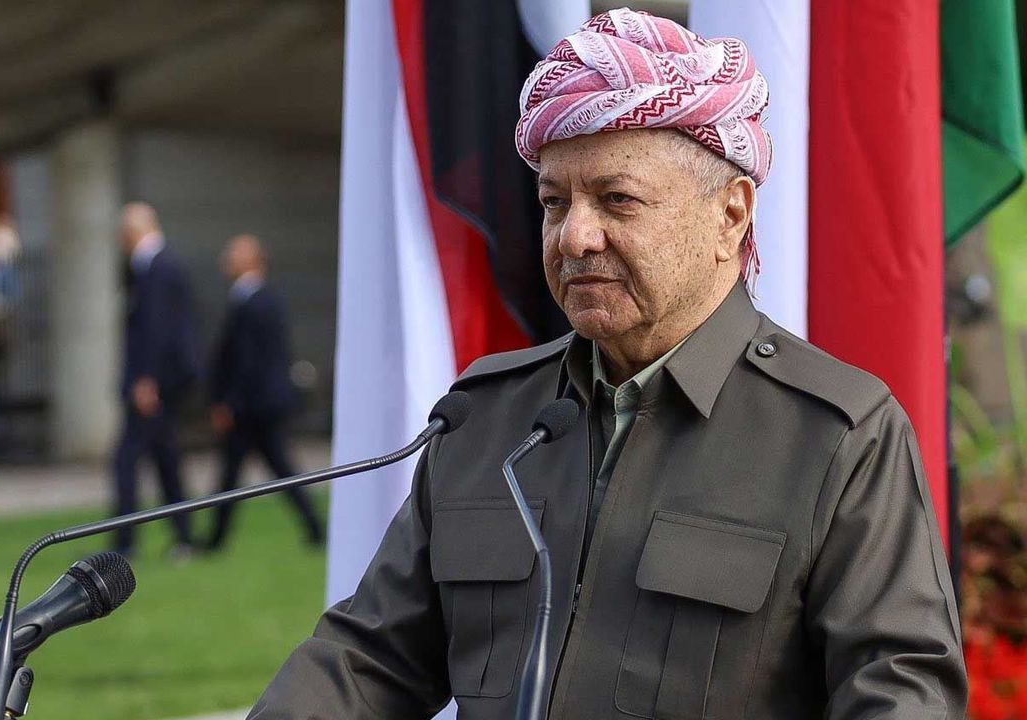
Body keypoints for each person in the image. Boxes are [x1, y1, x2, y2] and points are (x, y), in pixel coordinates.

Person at [250, 9, 965, 719]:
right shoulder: (485, 417)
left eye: (617, 200)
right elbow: (370, 661)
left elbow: (901, 690)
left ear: (731, 216)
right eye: (554, 202)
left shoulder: (837, 434)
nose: (574, 236)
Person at [205, 234, 324, 550]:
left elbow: (248, 361)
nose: (225, 260)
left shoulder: (255, 301)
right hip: (255, 404)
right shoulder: (251, 298)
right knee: (253, 471)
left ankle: (216, 539)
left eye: (233, 254)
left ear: (252, 260)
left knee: (263, 470)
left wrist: (229, 403)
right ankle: (314, 528)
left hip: (254, 407)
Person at [112, 202, 201, 560]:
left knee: (127, 461)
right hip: (160, 383)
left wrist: (147, 380)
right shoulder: (156, 266)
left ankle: (125, 543)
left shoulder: (157, 268)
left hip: (154, 385)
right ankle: (182, 536)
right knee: (165, 460)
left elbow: (157, 329)